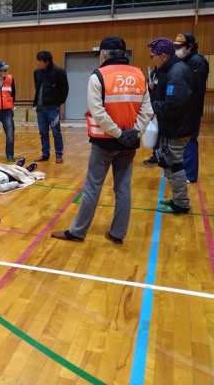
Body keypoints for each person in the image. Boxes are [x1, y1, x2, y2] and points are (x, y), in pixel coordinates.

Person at [51, 35, 153, 244]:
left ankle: (78, 231)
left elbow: (98, 112)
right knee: (123, 187)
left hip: (104, 142)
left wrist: (117, 133)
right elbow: (147, 110)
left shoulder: (98, 76)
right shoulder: (139, 75)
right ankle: (117, 233)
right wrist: (134, 132)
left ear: (104, 53)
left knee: (92, 186)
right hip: (129, 143)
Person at [147, 37, 196, 214]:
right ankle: (177, 197)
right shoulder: (168, 70)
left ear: (163, 56)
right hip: (171, 127)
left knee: (174, 164)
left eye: (152, 56)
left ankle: (181, 203)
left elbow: (173, 105)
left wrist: (152, 106)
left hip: (176, 128)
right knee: (167, 163)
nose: (151, 59)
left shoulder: (176, 72)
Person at [174, 32, 210, 183]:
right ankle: (183, 171)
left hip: (191, 110)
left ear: (189, 47)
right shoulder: (186, 60)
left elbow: (194, 89)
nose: (177, 50)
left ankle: (189, 174)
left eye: (180, 47)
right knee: (182, 141)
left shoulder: (197, 62)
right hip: (184, 109)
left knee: (189, 141)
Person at [33, 50, 69, 163]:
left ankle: (58, 154)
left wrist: (58, 103)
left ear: (47, 61)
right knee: (42, 132)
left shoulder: (59, 71)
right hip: (40, 108)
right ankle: (45, 154)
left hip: (53, 108)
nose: (38, 63)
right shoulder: (36, 72)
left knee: (56, 131)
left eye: (40, 61)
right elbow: (37, 88)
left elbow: (65, 89)